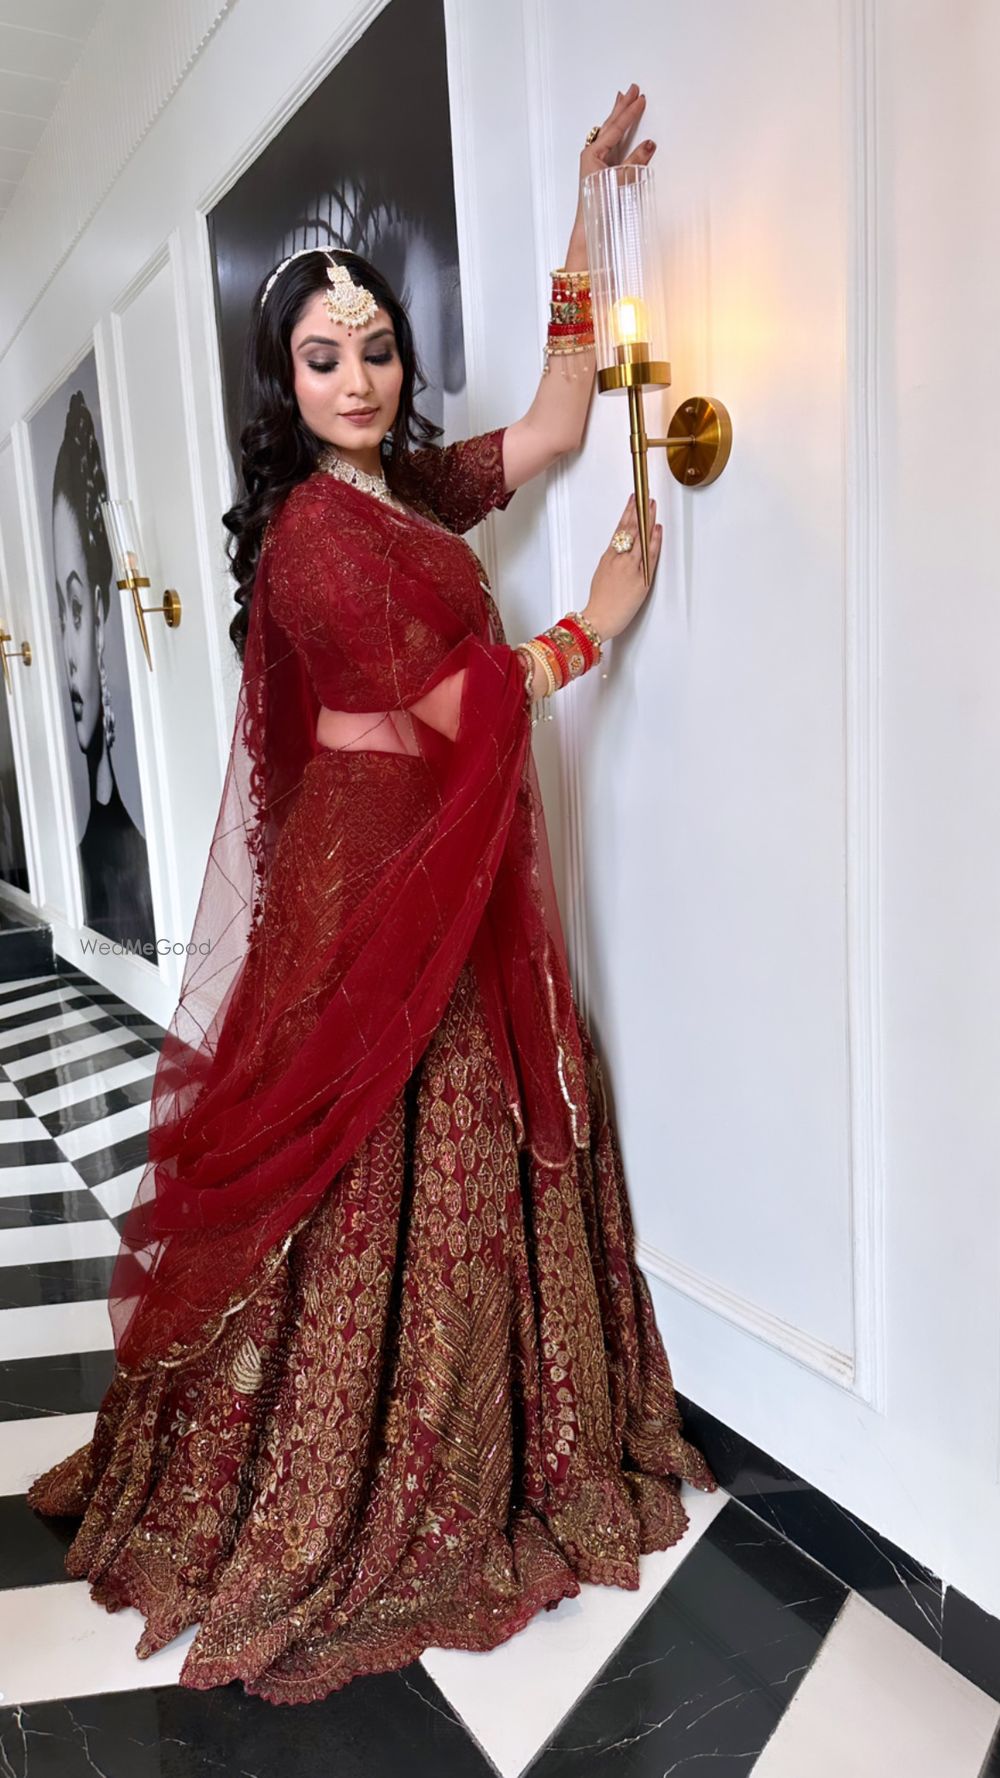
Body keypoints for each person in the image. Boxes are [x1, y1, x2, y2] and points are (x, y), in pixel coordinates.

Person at [28, 85, 717, 1705]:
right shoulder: (314, 542)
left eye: (378, 350)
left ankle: (479, 1428)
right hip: (373, 884)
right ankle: (362, 1470)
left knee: (464, 1134)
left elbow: (555, 427)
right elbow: (407, 724)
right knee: (388, 1146)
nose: (358, 378)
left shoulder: (402, 491)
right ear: (285, 380)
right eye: (324, 358)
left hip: (435, 869)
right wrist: (591, 625)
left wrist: (587, 208)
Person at [51, 390, 155, 949]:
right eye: (58, 612)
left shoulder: (152, 856)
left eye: (73, 608)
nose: (67, 649)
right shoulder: (77, 864)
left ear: (99, 611)